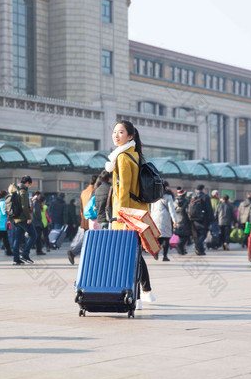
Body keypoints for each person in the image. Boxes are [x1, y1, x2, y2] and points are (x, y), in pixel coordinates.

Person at [106, 120, 156, 310]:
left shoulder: (123, 158)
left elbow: (124, 189)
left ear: (130, 136)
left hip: (126, 214)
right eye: (114, 132)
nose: (116, 135)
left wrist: (121, 215)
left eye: (121, 132)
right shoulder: (135, 155)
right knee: (134, 254)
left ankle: (138, 297)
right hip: (138, 211)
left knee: (129, 256)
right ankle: (144, 293)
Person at [67, 175, 97, 265]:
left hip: (85, 218)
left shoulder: (83, 192)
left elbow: (80, 208)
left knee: (87, 238)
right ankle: (76, 252)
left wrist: (82, 218)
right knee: (90, 238)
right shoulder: (94, 191)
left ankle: (75, 252)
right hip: (92, 218)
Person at [11, 175, 37, 265]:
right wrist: (28, 218)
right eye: (29, 184)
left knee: (17, 239)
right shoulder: (24, 192)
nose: (29, 186)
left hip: (15, 218)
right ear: (27, 183)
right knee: (33, 235)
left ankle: (16, 259)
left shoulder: (16, 190)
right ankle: (25, 254)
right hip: (23, 218)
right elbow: (24, 207)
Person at [151, 180, 177, 261]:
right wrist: (175, 220)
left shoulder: (154, 195)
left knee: (158, 237)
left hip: (155, 217)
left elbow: (152, 209)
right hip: (165, 218)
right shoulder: (168, 196)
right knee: (166, 237)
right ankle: (165, 256)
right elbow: (171, 209)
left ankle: (156, 252)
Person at [189, 184, 214, 256]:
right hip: (203, 218)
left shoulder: (192, 196)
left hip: (194, 219)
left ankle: (201, 250)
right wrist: (212, 219)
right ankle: (197, 246)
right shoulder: (205, 196)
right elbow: (209, 209)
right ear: (203, 189)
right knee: (203, 234)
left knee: (198, 234)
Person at [173, 187, 192, 255]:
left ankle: (181, 250)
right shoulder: (186, 202)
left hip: (177, 220)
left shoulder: (174, 202)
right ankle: (180, 246)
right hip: (185, 220)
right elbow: (188, 211)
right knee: (186, 235)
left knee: (181, 235)